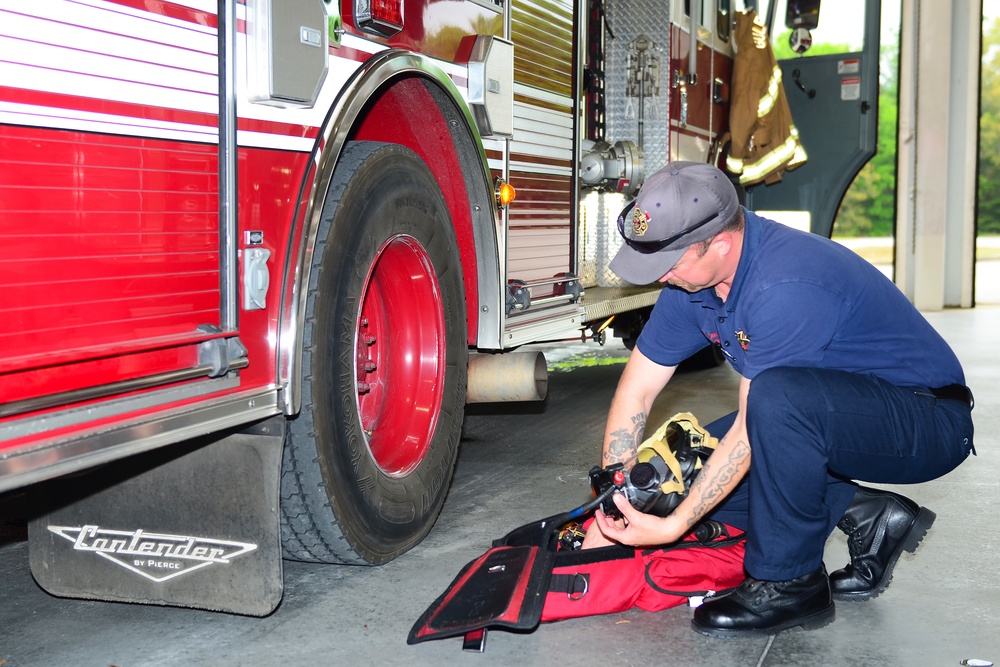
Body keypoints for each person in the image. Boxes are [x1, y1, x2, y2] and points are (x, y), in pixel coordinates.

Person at [582, 161, 975, 638]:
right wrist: (617, 492)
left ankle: (790, 582)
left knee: (774, 402)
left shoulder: (784, 283)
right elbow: (638, 388)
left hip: (925, 418)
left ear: (719, 243)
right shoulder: (694, 281)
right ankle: (867, 514)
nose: (659, 278)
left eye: (667, 263)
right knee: (683, 468)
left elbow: (753, 428)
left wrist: (671, 527)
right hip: (831, 411)